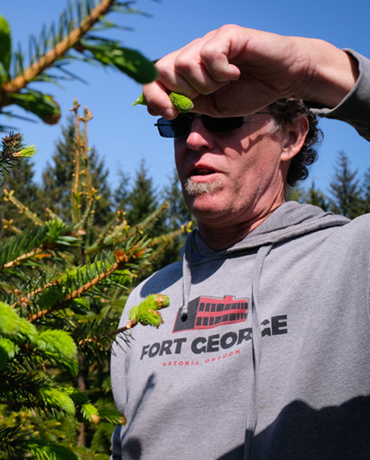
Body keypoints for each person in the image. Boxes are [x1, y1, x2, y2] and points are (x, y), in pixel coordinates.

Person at [110, 25, 370, 459]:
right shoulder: (148, 295)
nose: (193, 139)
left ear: (291, 136)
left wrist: (313, 70)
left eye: (223, 119)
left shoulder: (356, 258)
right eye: (179, 124)